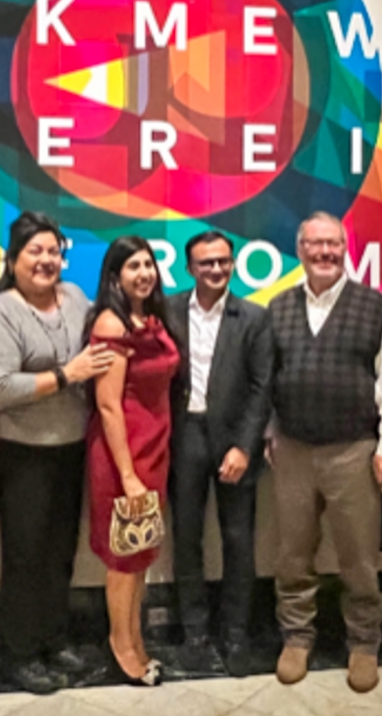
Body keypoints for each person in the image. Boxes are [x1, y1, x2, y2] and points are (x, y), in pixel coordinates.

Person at [268, 212, 382, 694]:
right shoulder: (279, 305)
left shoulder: (375, 306)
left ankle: (364, 643)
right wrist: (270, 431)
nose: (324, 252)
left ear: (345, 247)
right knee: (292, 555)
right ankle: (296, 638)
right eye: (315, 244)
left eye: (332, 244)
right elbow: (268, 379)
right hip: (292, 450)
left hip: (354, 451)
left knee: (359, 559)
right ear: (300, 248)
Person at [0, 212, 113, 695]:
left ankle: (55, 640)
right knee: (25, 555)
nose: (46, 260)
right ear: (12, 260)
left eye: (53, 251)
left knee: (59, 554)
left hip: (71, 446)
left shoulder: (74, 298)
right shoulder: (2, 313)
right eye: (35, 251)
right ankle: (20, 654)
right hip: (21, 453)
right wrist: (63, 376)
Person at [166, 230, 273, 676]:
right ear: (189, 268)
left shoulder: (253, 316)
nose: (216, 269)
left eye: (223, 261)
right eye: (206, 262)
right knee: (186, 537)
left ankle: (235, 634)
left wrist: (245, 447)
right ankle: (194, 632)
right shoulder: (168, 310)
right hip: (184, 434)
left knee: (237, 539)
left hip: (234, 440)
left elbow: (261, 386)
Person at [84, 236, 181, 687]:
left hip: (154, 450)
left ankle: (136, 639)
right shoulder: (110, 323)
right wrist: (126, 474)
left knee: (141, 554)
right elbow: (107, 406)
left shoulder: (150, 318)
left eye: (148, 264)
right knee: (123, 559)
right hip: (124, 455)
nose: (143, 273)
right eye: (132, 266)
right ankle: (121, 648)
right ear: (114, 276)